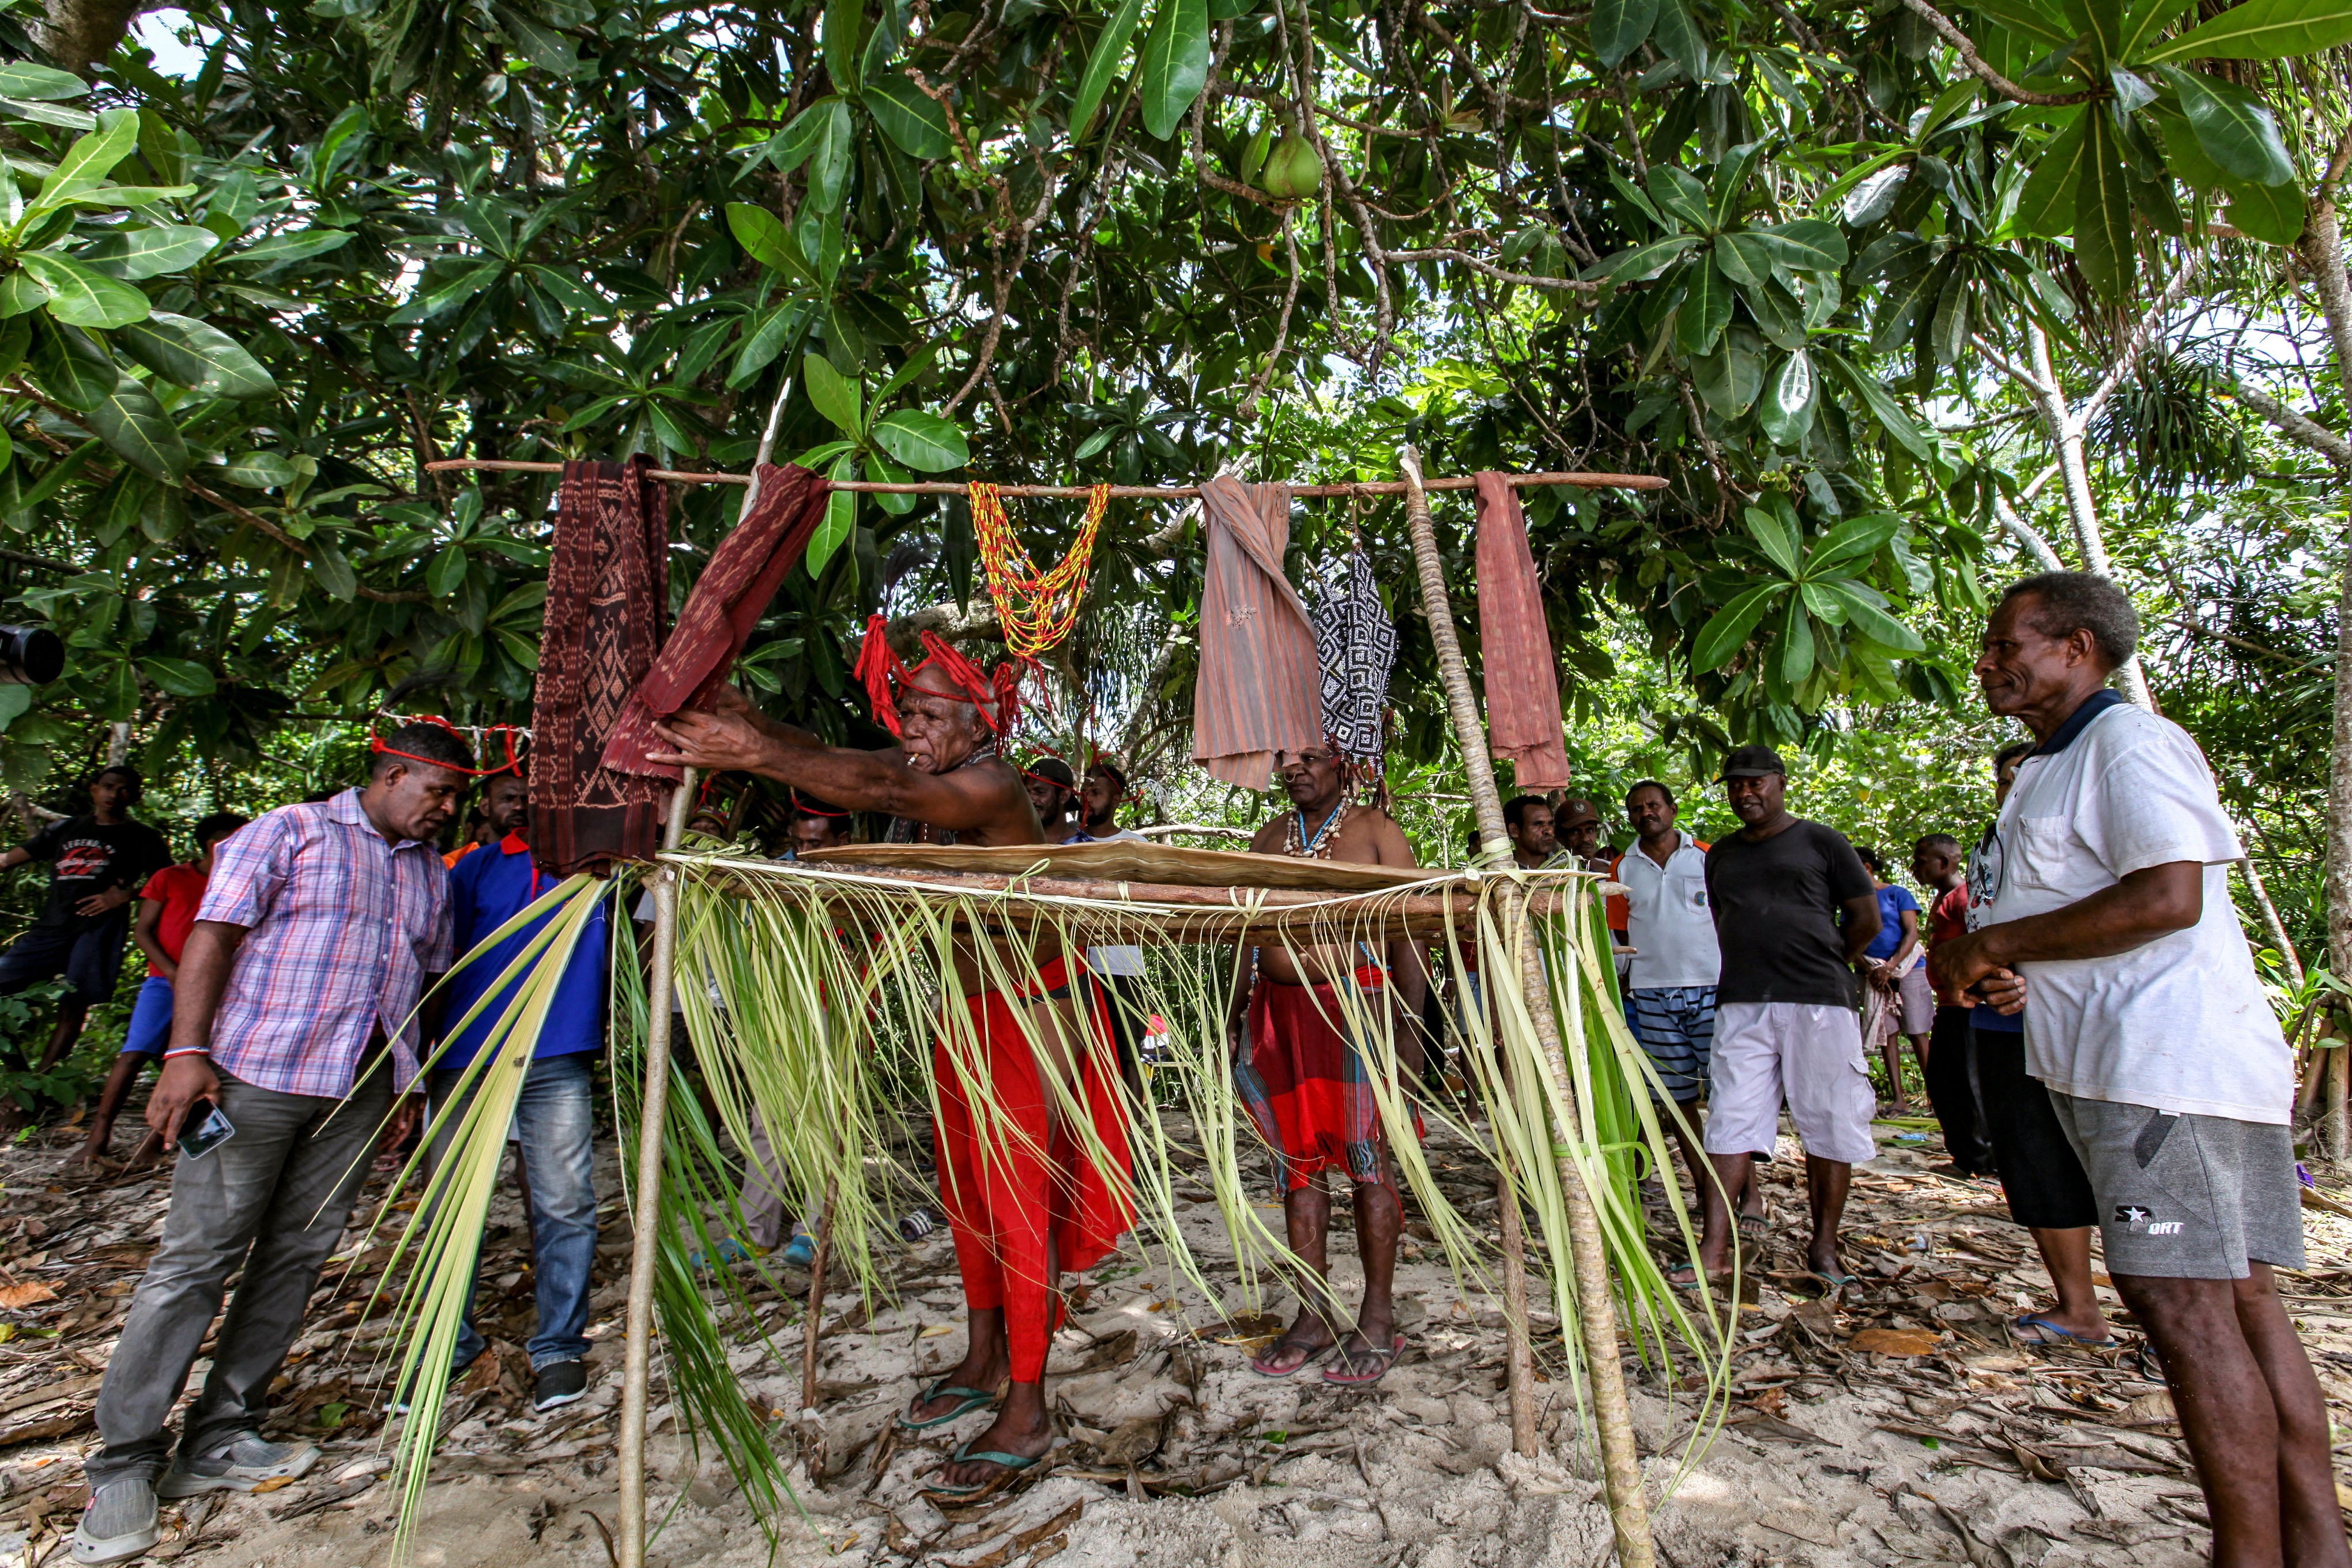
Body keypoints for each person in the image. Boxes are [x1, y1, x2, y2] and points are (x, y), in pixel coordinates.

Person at [646, 644, 1133, 1501]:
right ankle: (984, 1361)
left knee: (1019, 1207)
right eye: (906, 710)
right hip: (969, 1012)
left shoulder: (994, 787)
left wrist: (750, 754)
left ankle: (1028, 1406)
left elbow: (887, 792)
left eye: (932, 713)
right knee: (970, 1198)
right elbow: (858, 764)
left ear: (982, 724)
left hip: (1033, 1011)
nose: (911, 726)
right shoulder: (930, 761)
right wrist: (751, 720)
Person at [1932, 575, 2338, 1566]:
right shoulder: (2051, 765)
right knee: (2237, 1300)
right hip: (2141, 1064)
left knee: (2183, 1307)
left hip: (2161, 1073)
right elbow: (2100, 918)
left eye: (2006, 643)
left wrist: (1991, 948)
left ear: (2075, 647)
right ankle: (2314, 1545)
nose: (1988, 661)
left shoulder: (2126, 743)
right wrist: (2021, 971)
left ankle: (2250, 1554)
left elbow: (2167, 898)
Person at [72, 725, 465, 1566]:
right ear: (395, 776)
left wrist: (408, 1084)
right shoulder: (289, 831)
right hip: (253, 1076)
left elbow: (421, 981)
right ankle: (124, 1463)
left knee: (295, 1256)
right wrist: (185, 1053)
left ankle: (223, 1432)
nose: (447, 810)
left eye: (455, 798)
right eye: (438, 793)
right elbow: (211, 936)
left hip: (356, 1091)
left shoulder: (432, 874)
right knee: (196, 1260)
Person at [1231, 742, 1429, 1388]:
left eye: (1310, 757)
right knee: (1297, 1168)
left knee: (1372, 1164)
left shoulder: (1376, 831)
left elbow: (1412, 930)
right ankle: (1313, 1313)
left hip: (1359, 1012)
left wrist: (1410, 1036)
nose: (1294, 768)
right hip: (1279, 1017)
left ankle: (1377, 1315)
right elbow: (1243, 934)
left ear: (1341, 764)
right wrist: (1233, 1015)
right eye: (1287, 759)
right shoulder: (1267, 837)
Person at [430, 766, 606, 1414]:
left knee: (565, 1202)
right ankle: (445, 1345)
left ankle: (558, 1344)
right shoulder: (471, 868)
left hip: (557, 1054)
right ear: (488, 806)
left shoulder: (597, 864)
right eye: (512, 798)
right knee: (457, 1205)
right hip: (470, 1055)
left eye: (540, 796)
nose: (527, 808)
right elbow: (436, 956)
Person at [1676, 744, 1880, 1290]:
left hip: (1820, 1001)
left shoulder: (1821, 841)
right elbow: (1725, 920)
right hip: (1742, 1001)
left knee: (1830, 1121)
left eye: (1755, 782)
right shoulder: (1720, 854)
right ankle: (1714, 1250)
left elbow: (1865, 917)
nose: (1745, 793)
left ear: (1780, 782)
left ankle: (1825, 1249)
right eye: (1735, 785)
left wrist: (1829, 957)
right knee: (1729, 1119)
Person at [1951, 741, 2109, 1344]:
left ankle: (2161, 1311)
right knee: (2034, 1159)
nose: (2016, 783)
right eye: (2007, 775)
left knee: (2116, 1165)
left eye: (2028, 773)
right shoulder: (1988, 844)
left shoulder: (2082, 832)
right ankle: (2079, 1305)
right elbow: (1982, 926)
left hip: (2081, 1017)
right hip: (2003, 1021)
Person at [1609, 782, 1755, 1230]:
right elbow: (1620, 936)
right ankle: (1708, 1193)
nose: (1646, 813)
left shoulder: (1709, 857)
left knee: (1730, 1097)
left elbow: (1735, 919)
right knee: (1677, 1101)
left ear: (1673, 809)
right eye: (1637, 809)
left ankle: (1751, 1200)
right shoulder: (1622, 867)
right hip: (1653, 994)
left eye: (1654, 805)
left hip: (1713, 989)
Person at [74, 813, 249, 1170]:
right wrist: (171, 972)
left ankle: (161, 1145)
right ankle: (98, 1138)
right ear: (214, 845)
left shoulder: (243, 883)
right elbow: (143, 932)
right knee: (133, 1055)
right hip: (163, 982)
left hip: (223, 987)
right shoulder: (170, 877)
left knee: (207, 1062)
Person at [0, 767, 169, 1079]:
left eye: (125, 790)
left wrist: (125, 896)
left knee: (73, 1007)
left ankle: (39, 1089)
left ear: (137, 796)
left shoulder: (143, 837)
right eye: (108, 787)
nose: (114, 795)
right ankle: (20, 1079)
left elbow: (170, 883)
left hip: (98, 930)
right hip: (51, 928)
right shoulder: (65, 829)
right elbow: (8, 860)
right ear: (94, 789)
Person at [1909, 831, 1995, 1178]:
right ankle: (1965, 1155)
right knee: (1945, 1081)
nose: (1916, 868)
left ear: (1943, 863)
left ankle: (1983, 1161)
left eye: (1921, 860)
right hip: (1947, 1005)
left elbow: (1981, 945)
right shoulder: (1943, 900)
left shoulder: (1965, 898)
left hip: (1967, 1008)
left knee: (1968, 1082)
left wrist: (1975, 991)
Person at [1072, 759, 1149, 1099]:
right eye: (1086, 790)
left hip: (1122, 968)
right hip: (1072, 967)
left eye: (1097, 792)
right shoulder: (1065, 843)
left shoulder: (1136, 848)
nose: (1088, 797)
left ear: (1116, 800)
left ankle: (1132, 1142)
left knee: (1127, 1054)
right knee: (1077, 1054)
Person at [1855, 846, 1929, 1110]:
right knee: (1888, 1035)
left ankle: (1936, 1096)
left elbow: (1912, 933)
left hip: (1907, 969)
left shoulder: (1898, 894)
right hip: (1871, 974)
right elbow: (1848, 939)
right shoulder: (1851, 901)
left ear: (1866, 868)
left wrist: (1890, 966)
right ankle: (1899, 1100)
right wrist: (1870, 968)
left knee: (1918, 1031)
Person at [1025, 757, 1081, 843]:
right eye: (1027, 792)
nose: (1031, 800)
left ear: (1064, 796)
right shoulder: (1015, 840)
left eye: (1040, 792)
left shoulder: (1084, 847)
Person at [1552, 796, 1610, 869]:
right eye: (1575, 832)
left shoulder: (1617, 871)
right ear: (1560, 837)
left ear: (1596, 833)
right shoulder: (1553, 876)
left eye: (1590, 830)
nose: (1585, 839)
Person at [1502, 794, 1557, 869]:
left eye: (1550, 823)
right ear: (1515, 830)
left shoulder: (1568, 868)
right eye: (1538, 824)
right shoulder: (1499, 872)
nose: (1550, 831)